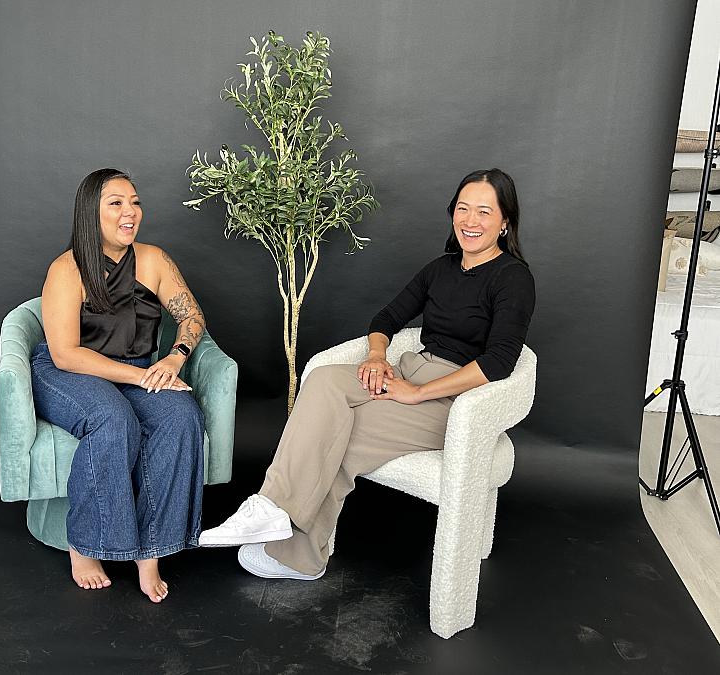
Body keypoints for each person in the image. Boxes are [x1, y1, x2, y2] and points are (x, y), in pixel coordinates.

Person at [199, 168, 535, 580]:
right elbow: (387, 317)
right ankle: (270, 508)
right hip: (407, 371)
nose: (471, 221)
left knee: (345, 431)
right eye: (463, 209)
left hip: (455, 399)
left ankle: (299, 555)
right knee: (322, 381)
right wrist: (377, 357)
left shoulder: (513, 278)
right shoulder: (441, 268)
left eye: (484, 212)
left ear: (504, 222)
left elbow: (500, 361)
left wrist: (417, 393)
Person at [30, 168, 206, 601]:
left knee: (182, 416)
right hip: (70, 374)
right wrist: (145, 377)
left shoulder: (154, 260)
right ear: (91, 212)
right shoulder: (66, 268)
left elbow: (192, 317)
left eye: (135, 202)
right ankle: (85, 545)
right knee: (113, 419)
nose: (131, 213)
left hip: (136, 369)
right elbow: (65, 353)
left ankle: (151, 551)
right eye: (116, 203)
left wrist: (173, 357)